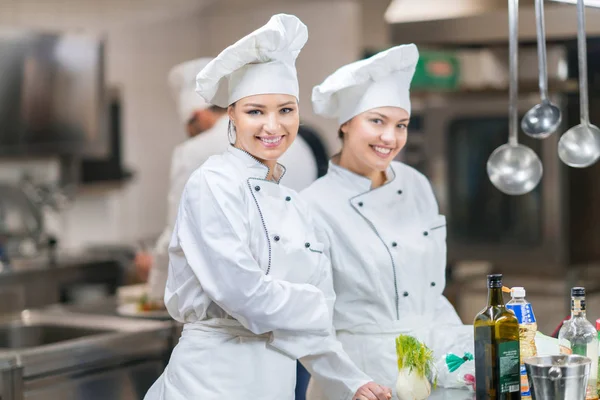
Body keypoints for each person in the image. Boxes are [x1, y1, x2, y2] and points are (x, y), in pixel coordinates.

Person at [143, 14, 391, 400]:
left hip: (275, 383)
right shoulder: (213, 183)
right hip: (209, 382)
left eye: (286, 110)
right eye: (255, 111)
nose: (273, 126)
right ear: (232, 116)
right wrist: (315, 304)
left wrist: (351, 380)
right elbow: (244, 295)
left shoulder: (294, 204)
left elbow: (306, 326)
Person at [301, 44, 473, 399]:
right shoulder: (312, 206)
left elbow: (430, 297)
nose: (390, 138)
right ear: (346, 123)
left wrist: (467, 359)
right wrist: (351, 384)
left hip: (427, 373)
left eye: (401, 125)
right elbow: (306, 320)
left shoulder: (416, 184)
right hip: (358, 379)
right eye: (376, 121)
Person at [134, 58, 229, 301]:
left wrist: (156, 288)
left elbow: (178, 234)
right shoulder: (280, 141)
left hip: (225, 300)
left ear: (196, 115)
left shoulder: (195, 151)